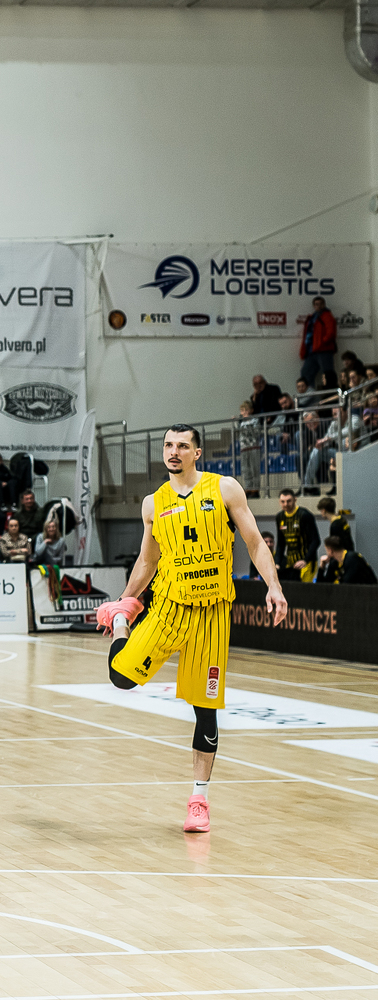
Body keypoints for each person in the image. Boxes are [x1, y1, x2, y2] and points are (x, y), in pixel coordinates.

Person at [94, 425, 287, 835]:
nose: (174, 451)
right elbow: (147, 561)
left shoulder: (225, 489)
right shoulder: (153, 503)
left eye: (182, 446)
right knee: (120, 677)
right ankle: (124, 621)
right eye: (168, 445)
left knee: (206, 709)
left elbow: (254, 542)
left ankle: (199, 800)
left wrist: (273, 586)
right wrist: (124, 600)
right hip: (168, 608)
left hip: (211, 614)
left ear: (197, 453)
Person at [274, 488, 320, 582]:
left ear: (295, 500)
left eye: (288, 501)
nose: (286, 504)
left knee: (303, 590)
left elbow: (315, 540)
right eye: (283, 502)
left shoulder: (304, 515)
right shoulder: (279, 517)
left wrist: (305, 560)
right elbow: (281, 543)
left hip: (306, 563)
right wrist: (277, 563)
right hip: (290, 563)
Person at [298, 298, 337, 388]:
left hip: (323, 350)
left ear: (324, 305)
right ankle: (309, 393)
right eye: (316, 304)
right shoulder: (312, 318)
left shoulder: (327, 316)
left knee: (327, 374)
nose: (319, 306)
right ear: (314, 306)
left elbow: (331, 332)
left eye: (320, 304)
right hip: (312, 350)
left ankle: (330, 392)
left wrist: (322, 342)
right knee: (306, 373)